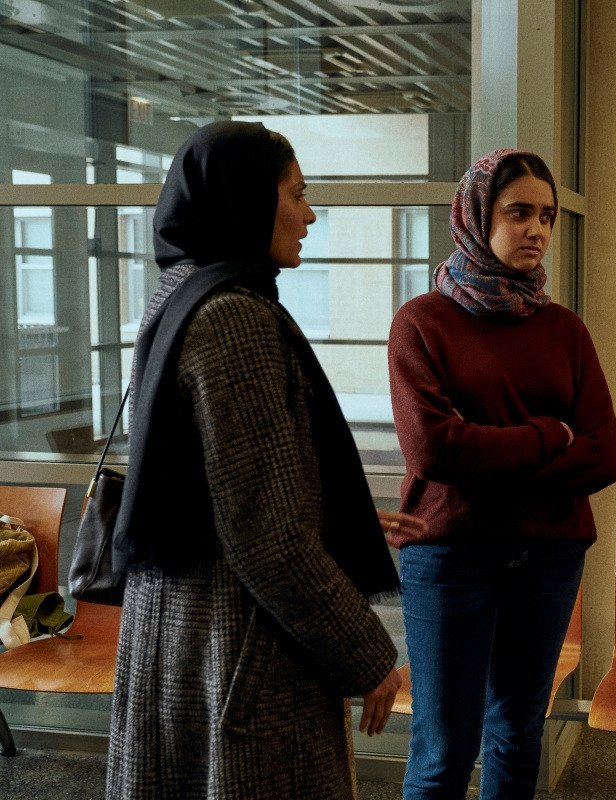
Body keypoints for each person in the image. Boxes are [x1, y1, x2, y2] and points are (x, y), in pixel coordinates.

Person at [106, 121, 426, 800]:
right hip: (238, 650)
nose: (309, 215)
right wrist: (368, 655)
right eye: (296, 194)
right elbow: (268, 538)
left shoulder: (179, 294)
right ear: (245, 197)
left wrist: (326, 510)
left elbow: (215, 483)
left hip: (179, 628)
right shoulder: (235, 318)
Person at [387, 149, 616, 800]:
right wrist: (549, 436)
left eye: (546, 216)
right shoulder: (421, 322)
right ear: (476, 214)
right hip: (450, 554)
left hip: (548, 555)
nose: (536, 230)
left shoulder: (565, 330)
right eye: (519, 213)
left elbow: (602, 456)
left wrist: (485, 457)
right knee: (444, 748)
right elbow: (433, 451)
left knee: (518, 734)